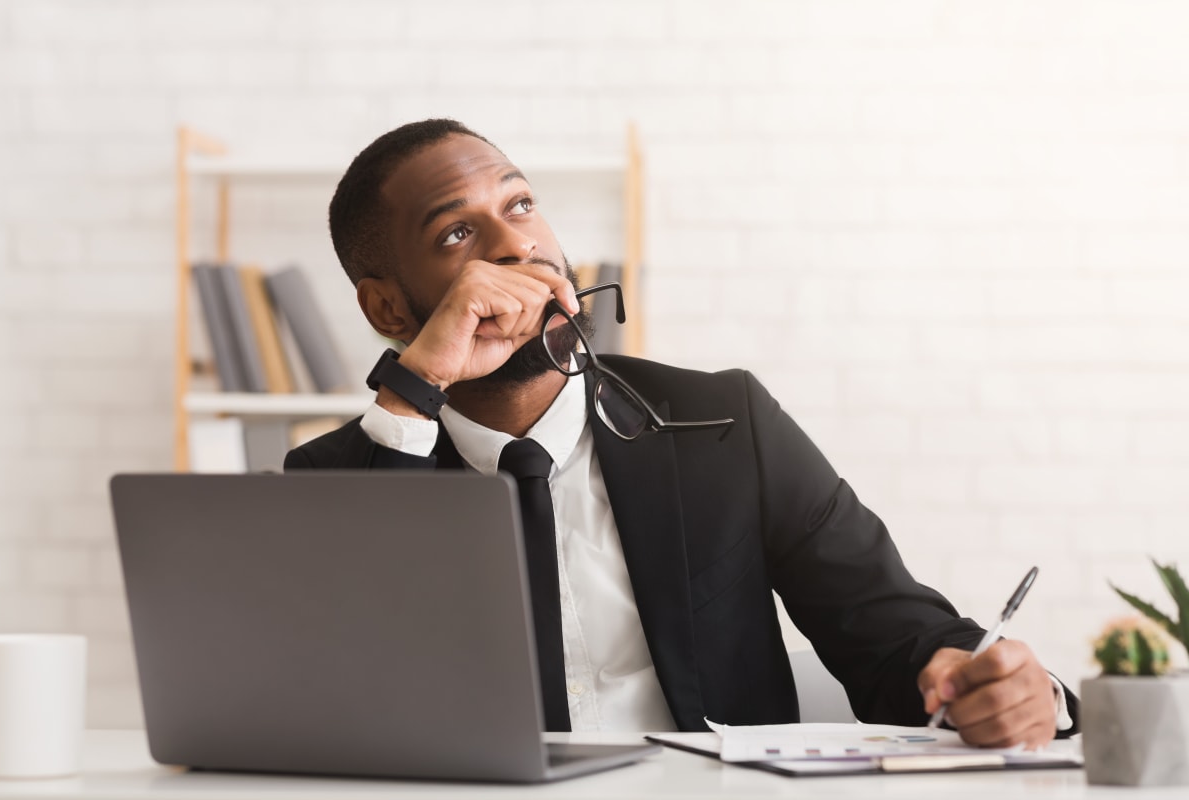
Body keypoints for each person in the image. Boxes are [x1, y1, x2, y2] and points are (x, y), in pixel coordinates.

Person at [284, 119, 1077, 747]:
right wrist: (414, 390)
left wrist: (1004, 688)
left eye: (520, 205)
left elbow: (898, 638)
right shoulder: (334, 479)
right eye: (457, 233)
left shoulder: (727, 426)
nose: (518, 247)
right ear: (389, 311)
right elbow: (330, 698)